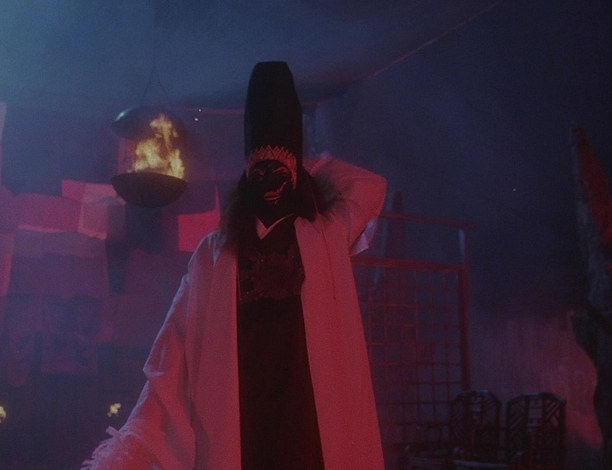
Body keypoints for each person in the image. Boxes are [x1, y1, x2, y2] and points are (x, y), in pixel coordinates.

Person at [83, 61, 386, 469]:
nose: (270, 183)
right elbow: (174, 350)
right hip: (241, 425)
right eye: (259, 172)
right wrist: (136, 441)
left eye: (280, 173)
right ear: (246, 181)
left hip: (309, 421)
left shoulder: (324, 237)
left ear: (295, 179)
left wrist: (305, 162)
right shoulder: (215, 254)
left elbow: (369, 188)